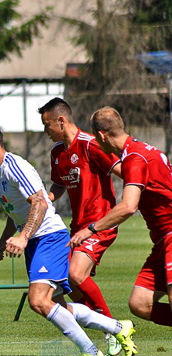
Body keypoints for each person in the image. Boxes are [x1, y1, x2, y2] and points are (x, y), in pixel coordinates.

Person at [0, 121, 136, 356]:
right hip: (36, 240)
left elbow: (40, 203)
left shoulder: (15, 166)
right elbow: (14, 211)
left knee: (38, 302)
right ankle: (117, 328)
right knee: (58, 306)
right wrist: (5, 239)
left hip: (49, 237)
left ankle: (91, 353)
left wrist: (23, 237)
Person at [71, 107, 172, 330]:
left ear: (101, 136)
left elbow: (128, 206)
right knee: (140, 304)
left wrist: (91, 229)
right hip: (163, 240)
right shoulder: (143, 150)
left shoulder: (134, 158)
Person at [38, 97, 124, 356]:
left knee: (75, 274)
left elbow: (124, 171)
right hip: (77, 227)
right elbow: (59, 185)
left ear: (61, 121)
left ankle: (114, 331)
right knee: (69, 283)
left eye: (47, 125)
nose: (45, 131)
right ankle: (104, 327)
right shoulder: (57, 153)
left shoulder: (91, 145)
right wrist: (47, 199)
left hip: (100, 223)